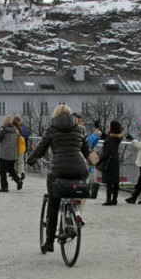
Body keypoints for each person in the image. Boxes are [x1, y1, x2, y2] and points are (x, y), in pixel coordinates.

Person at [27, 105, 90, 253]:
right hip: (79, 169)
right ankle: (73, 217)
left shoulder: (52, 129)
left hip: (59, 170)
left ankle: (49, 242)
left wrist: (31, 159)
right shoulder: (80, 129)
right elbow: (86, 151)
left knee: (53, 203)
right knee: (77, 191)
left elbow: (40, 149)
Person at [96, 120, 124, 205]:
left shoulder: (111, 139)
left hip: (110, 161)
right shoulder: (116, 137)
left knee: (109, 181)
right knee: (115, 181)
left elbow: (107, 152)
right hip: (115, 160)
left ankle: (108, 199)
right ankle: (115, 199)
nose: (108, 127)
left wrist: (99, 160)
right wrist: (99, 129)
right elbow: (105, 136)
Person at [0, 116, 23, 192]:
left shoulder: (4, 130)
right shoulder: (15, 130)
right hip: (13, 154)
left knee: (2, 172)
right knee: (11, 169)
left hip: (4, 154)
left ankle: (4, 187)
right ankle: (18, 180)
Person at [12, 114, 28, 181]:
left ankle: (17, 173)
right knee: (21, 161)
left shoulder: (14, 128)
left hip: (15, 147)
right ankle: (21, 172)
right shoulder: (23, 128)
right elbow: (26, 137)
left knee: (16, 161)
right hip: (22, 146)